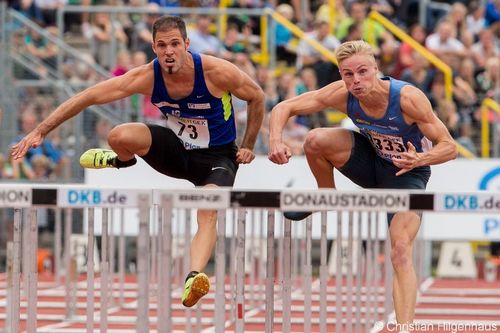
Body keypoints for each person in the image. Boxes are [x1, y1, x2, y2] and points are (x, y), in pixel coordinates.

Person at [11, 15, 265, 308]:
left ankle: (193, 277)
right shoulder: (147, 76)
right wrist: (40, 130)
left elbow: (257, 96)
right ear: (154, 48)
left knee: (208, 208)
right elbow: (88, 96)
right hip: (178, 151)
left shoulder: (216, 72)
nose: (168, 51)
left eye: (174, 44)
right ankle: (121, 161)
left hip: (217, 157)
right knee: (119, 135)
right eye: (161, 45)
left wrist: (248, 144)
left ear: (187, 44)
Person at [268, 40, 457, 327]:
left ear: (376, 69)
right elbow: (285, 107)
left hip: (406, 174)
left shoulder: (408, 99)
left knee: (400, 250)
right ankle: (325, 196)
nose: (356, 81)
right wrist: (275, 140)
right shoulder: (343, 93)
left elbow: (449, 147)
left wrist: (419, 159)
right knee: (315, 140)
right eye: (348, 74)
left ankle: (404, 327)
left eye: (363, 72)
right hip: (370, 162)